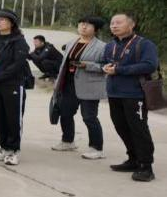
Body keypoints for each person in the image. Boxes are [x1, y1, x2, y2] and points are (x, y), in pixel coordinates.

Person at [101, 13, 159, 182]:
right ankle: (133, 159)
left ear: (131, 24)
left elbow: (150, 65)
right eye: (112, 22)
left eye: (118, 22)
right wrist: (105, 67)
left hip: (135, 94)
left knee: (138, 129)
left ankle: (146, 166)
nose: (114, 25)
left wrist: (119, 70)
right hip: (114, 93)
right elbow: (104, 62)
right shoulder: (110, 45)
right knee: (121, 127)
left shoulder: (144, 44)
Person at [0, 9, 32, 166]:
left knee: (13, 118)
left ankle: (14, 150)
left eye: (2, 19)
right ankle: (4, 147)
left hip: (12, 84)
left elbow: (18, 65)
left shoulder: (19, 41)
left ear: (11, 23)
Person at [51, 16, 107, 159]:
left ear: (96, 29)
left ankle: (96, 148)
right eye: (81, 24)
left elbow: (106, 67)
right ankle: (68, 141)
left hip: (89, 86)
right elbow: (64, 64)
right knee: (65, 113)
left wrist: (87, 65)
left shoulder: (102, 47)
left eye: (88, 25)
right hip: (68, 84)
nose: (83, 27)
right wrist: (58, 82)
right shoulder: (72, 43)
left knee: (89, 117)